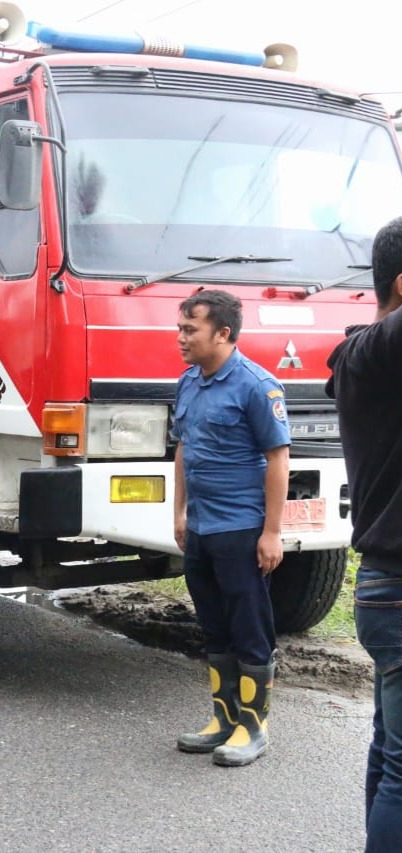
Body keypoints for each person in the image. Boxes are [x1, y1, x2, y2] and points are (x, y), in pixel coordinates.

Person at [171, 289, 290, 767]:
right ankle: (223, 718)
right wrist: (179, 513)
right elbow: (183, 448)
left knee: (249, 629)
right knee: (214, 627)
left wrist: (272, 532)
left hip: (241, 529)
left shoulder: (256, 386)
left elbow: (278, 459)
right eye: (180, 328)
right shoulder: (187, 383)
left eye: (190, 329)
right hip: (201, 527)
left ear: (223, 333)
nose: (180, 338)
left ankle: (253, 727)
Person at [327, 216, 402, 850]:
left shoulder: (366, 358)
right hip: (398, 588)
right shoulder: (374, 351)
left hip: (387, 589)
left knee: (391, 748)